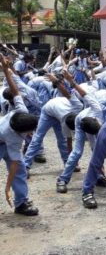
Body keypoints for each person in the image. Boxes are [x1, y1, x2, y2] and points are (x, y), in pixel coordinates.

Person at [0, 54, 39, 216]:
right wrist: (7, 188)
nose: (32, 133)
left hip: (4, 139)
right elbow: (13, 166)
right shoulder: (13, 137)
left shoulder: (21, 110)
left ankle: (21, 203)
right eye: (31, 131)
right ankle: (20, 201)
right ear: (22, 132)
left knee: (22, 169)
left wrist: (6, 69)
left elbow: (15, 90)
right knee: (19, 167)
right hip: (2, 140)